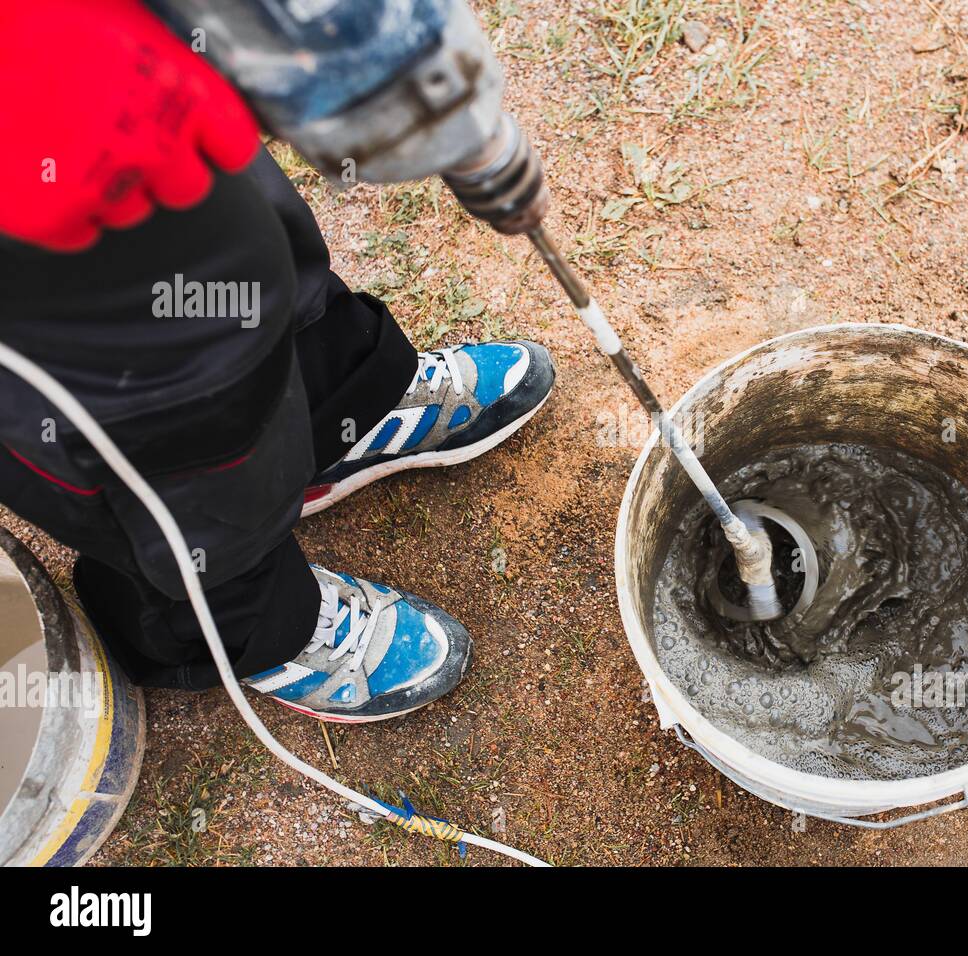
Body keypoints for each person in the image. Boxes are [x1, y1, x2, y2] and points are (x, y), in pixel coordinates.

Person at [0, 0, 554, 721]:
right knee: (162, 433)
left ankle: (341, 412)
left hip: (112, 62)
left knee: (253, 242)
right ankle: (250, 623)